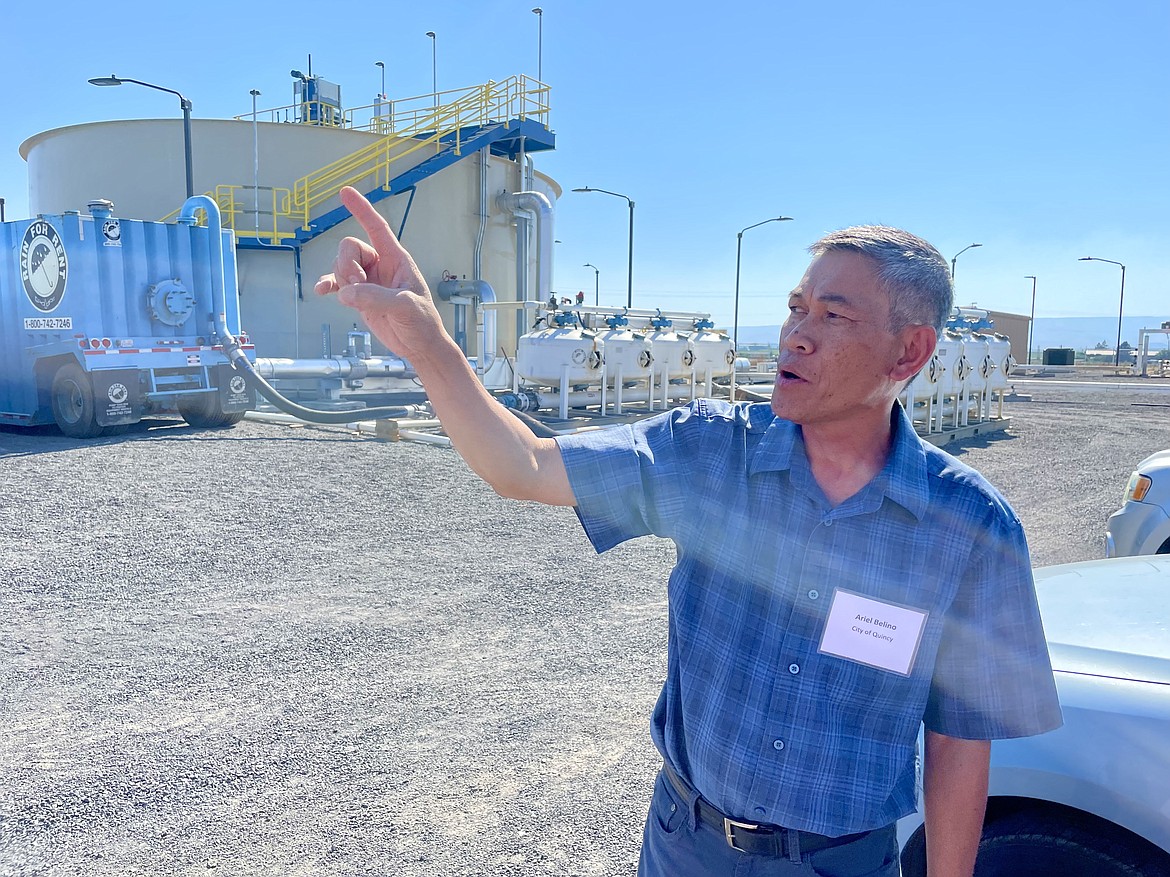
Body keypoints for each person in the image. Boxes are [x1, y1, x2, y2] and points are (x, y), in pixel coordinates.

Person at [315, 186, 1063, 877]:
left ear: (912, 351)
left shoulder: (970, 526)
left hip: (841, 863)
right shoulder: (710, 454)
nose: (796, 335)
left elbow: (961, 740)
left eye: (832, 316)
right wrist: (428, 343)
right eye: (796, 308)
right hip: (687, 846)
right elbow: (523, 464)